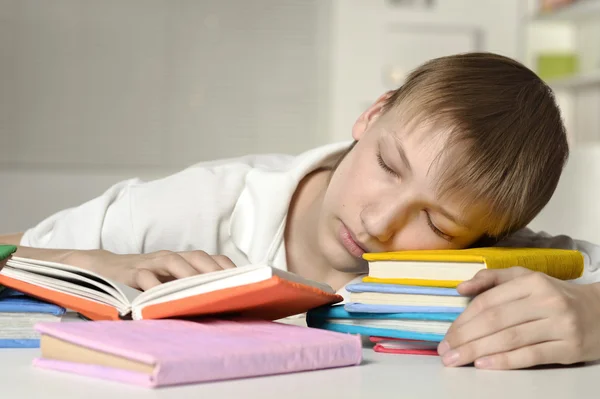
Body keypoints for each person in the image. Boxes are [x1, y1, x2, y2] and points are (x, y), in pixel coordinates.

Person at [1, 52, 599, 369]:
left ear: (490, 237)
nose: (379, 221)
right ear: (373, 114)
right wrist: (90, 260)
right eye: (389, 164)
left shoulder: (501, 259)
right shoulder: (190, 207)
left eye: (436, 223)